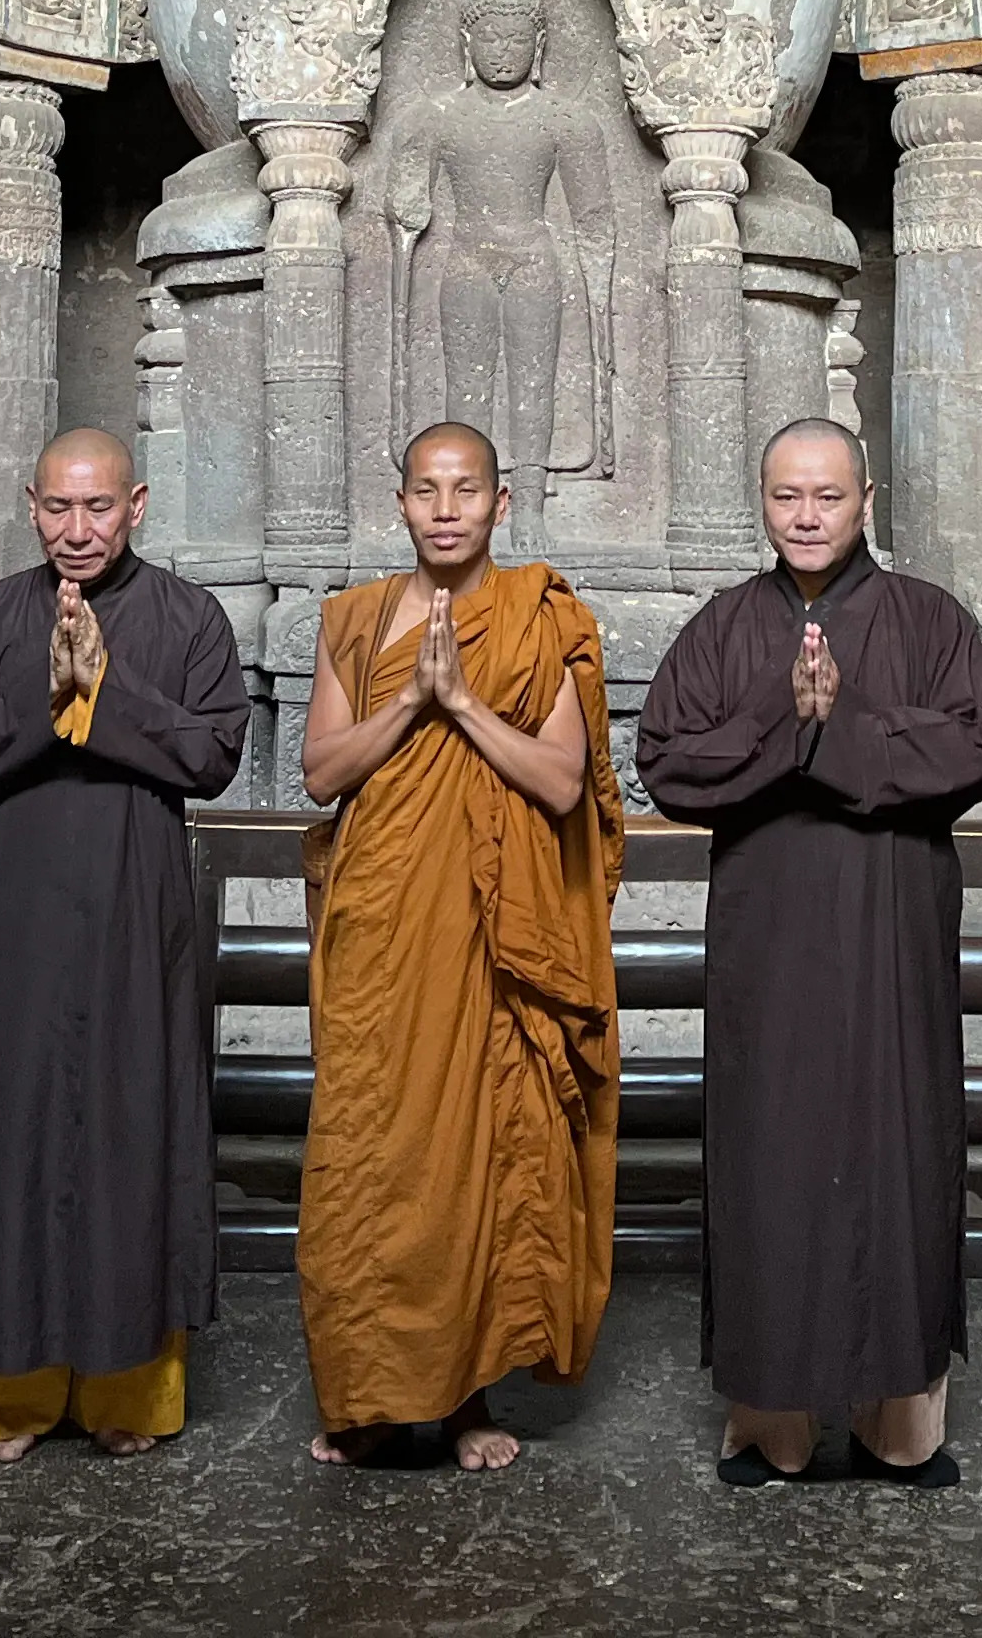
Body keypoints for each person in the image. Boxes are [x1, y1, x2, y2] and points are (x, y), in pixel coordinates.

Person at [635, 419, 982, 1488]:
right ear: (762, 502)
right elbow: (665, 758)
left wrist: (832, 731)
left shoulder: (927, 621)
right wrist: (781, 718)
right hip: (770, 937)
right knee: (770, 1154)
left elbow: (974, 745)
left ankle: (905, 1428)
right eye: (787, 497)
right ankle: (772, 1422)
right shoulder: (722, 628)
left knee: (900, 1150)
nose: (807, 517)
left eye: (828, 497)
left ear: (867, 500)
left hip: (891, 932)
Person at [0, 426, 251, 1460]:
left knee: (130, 1130)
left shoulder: (188, 617)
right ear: (30, 506)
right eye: (57, 508)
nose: (77, 529)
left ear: (138, 505)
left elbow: (211, 755)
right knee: (8, 1134)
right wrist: (44, 692)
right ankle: (3, 1401)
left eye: (98, 507)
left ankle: (126, 1396)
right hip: (18, 915)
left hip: (134, 914)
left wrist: (105, 688)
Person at [295, 421, 623, 1471]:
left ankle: (472, 1398)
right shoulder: (352, 619)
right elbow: (321, 770)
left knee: (482, 1152)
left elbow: (561, 780)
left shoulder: (544, 618)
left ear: (501, 504)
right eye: (427, 490)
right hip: (382, 926)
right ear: (399, 504)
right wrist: (408, 700)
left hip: (492, 935)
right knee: (369, 1152)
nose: (447, 508)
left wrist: (463, 702)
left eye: (466, 490)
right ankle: (362, 1400)